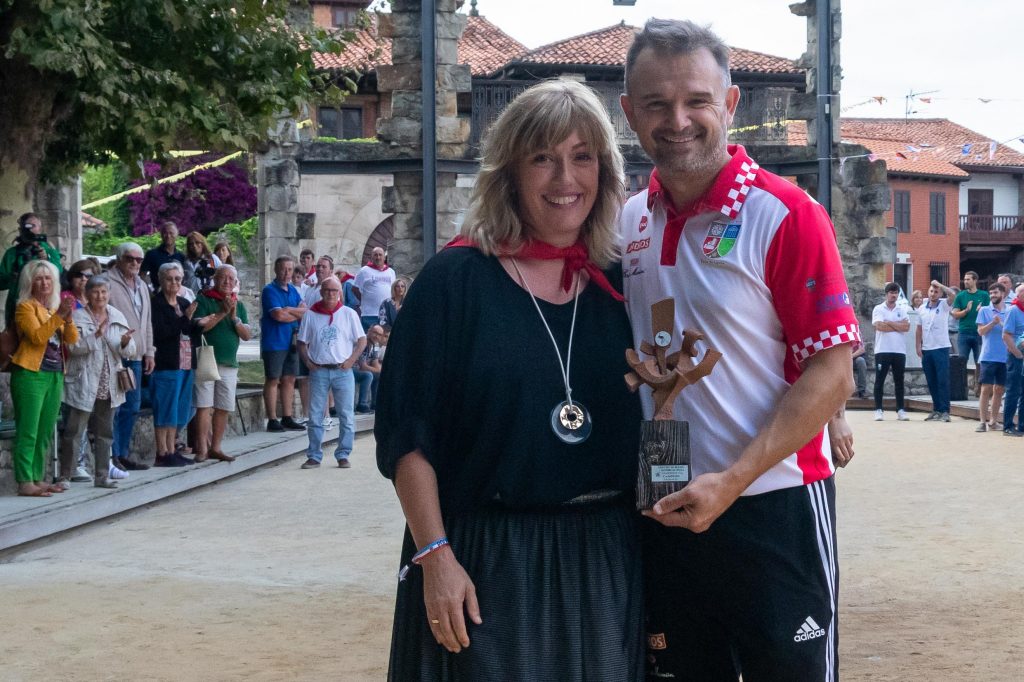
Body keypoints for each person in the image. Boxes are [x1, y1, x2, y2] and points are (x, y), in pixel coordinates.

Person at [376, 79, 643, 680]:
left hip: (605, 557)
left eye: (582, 157)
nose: (564, 179)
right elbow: (406, 434)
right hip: (485, 556)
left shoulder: (623, 286)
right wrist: (434, 555)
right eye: (542, 158)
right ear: (509, 172)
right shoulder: (455, 281)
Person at [618, 20, 857, 680]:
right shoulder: (629, 219)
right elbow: (657, 362)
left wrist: (732, 480)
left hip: (774, 502)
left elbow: (833, 373)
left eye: (696, 100)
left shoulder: (786, 213)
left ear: (729, 103)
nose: (678, 120)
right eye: (657, 104)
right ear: (630, 113)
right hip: (668, 505)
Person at [9, 260, 77, 496]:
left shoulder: (52, 309)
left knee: (45, 430)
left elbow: (71, 338)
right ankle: (24, 480)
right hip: (30, 374)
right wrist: (59, 315)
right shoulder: (25, 307)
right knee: (28, 429)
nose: (44, 282)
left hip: (54, 374)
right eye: (39, 278)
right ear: (30, 282)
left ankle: (37, 477)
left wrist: (66, 317)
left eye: (48, 278)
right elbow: (37, 337)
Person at [62, 274, 136, 488]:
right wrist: (96, 334)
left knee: (105, 432)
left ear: (109, 294)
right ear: (87, 295)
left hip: (110, 382)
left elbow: (130, 351)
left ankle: (102, 476)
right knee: (74, 431)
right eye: (95, 292)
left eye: (104, 292)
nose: (100, 296)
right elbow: (73, 348)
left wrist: (125, 343)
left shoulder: (117, 315)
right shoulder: (77, 317)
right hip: (84, 380)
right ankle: (65, 476)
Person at [297, 276, 364, 469]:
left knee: (346, 415)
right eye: (327, 290)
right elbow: (301, 342)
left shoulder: (349, 314)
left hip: (342, 370)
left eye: (334, 291)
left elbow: (361, 340)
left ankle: (343, 453)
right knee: (316, 415)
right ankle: (314, 455)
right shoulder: (311, 314)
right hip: (319, 370)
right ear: (321, 292)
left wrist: (351, 360)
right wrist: (308, 362)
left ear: (340, 293)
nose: (330, 294)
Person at [192, 265, 250, 463]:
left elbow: (247, 335)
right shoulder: (204, 299)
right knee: (204, 405)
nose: (227, 282)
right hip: (207, 360)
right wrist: (223, 313)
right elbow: (202, 327)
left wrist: (233, 318)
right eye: (222, 278)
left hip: (229, 362)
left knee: (223, 407)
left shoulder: (238, 305)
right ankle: (201, 448)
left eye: (231, 279)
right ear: (215, 279)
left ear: (235, 283)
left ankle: (215, 447)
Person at [106, 242, 155, 470]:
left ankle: (122, 452)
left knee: (132, 405)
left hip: (135, 354)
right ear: (119, 259)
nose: (135, 263)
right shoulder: (107, 282)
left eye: (139, 260)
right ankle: (112, 455)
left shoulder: (143, 286)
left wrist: (149, 351)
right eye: (130, 259)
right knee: (113, 406)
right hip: (114, 353)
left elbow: (147, 323)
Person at [150, 262, 201, 466]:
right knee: (165, 408)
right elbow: (161, 333)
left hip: (186, 360)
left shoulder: (182, 301)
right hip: (166, 362)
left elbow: (188, 330)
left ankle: (172, 448)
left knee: (180, 408)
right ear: (161, 280)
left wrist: (198, 322)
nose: (174, 283)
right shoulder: (157, 304)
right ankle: (162, 452)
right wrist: (185, 319)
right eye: (170, 279)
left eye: (178, 279)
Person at [62, 257, 103, 481]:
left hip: (95, 366)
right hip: (73, 365)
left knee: (92, 420)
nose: (84, 280)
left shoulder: (96, 304)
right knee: (76, 419)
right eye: (80, 275)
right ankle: (73, 466)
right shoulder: (67, 301)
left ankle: (91, 462)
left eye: (88, 276)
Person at [260, 255, 306, 432]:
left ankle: (287, 416)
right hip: (274, 342)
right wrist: (295, 313)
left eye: (290, 269)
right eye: (283, 269)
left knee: (289, 379)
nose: (287, 273)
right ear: (276, 269)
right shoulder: (269, 290)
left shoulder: (293, 290)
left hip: (291, 341)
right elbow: (278, 315)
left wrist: (290, 310)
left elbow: (305, 310)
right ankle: (272, 418)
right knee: (273, 379)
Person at [0, 213, 63, 325]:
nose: (29, 230)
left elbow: (58, 274)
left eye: (33, 226)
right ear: (20, 230)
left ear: (40, 228)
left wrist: (46, 259)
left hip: (46, 304)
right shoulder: (12, 254)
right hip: (18, 304)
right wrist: (13, 275)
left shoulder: (49, 250)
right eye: (26, 226)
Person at [916, 280, 955, 422]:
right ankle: (936, 409)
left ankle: (945, 410)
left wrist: (940, 285)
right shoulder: (922, 308)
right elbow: (919, 328)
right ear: (928, 292)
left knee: (942, 380)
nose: (933, 294)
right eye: (931, 291)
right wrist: (918, 346)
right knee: (931, 380)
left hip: (941, 347)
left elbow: (953, 295)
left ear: (940, 294)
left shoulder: (944, 305)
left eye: (936, 292)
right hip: (927, 348)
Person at [872, 283, 911, 421]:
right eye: (891, 292)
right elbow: (879, 326)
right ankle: (878, 409)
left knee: (899, 380)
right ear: (886, 293)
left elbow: (906, 327)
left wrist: (890, 322)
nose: (893, 295)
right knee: (880, 380)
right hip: (883, 350)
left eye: (896, 293)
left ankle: (900, 409)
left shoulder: (902, 309)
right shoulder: (878, 308)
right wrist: (897, 325)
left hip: (899, 350)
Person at [975, 282, 1008, 432]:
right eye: (991, 293)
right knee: (985, 388)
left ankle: (993, 421)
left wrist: (1001, 324)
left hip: (1005, 356)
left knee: (999, 389)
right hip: (988, 356)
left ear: (1003, 294)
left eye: (995, 293)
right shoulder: (984, 310)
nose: (993, 295)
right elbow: (981, 331)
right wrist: (993, 323)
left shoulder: (1010, 311)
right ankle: (982, 421)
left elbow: (1012, 332)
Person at [952, 271, 989, 392]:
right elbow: (955, 315)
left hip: (979, 332)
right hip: (963, 332)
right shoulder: (961, 296)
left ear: (975, 280)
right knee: (962, 360)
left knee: (980, 360)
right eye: (965, 279)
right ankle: (963, 388)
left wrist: (982, 310)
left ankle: (978, 387)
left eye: (968, 279)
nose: (965, 281)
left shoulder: (984, 295)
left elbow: (990, 313)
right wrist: (966, 311)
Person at [141, 221, 197, 292]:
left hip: (178, 296)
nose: (168, 236)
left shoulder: (181, 256)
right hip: (157, 296)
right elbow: (143, 275)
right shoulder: (151, 254)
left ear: (177, 234)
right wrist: (150, 290)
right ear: (161, 235)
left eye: (171, 233)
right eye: (165, 233)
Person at [1000, 283, 1024, 437]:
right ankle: (1008, 425)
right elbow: (1006, 335)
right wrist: (1018, 354)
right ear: (1019, 294)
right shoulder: (1013, 310)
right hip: (1017, 356)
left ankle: (1022, 424)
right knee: (1013, 392)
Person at [353, 247, 395, 331]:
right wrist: (365, 300)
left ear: (384, 257)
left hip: (386, 313)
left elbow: (393, 290)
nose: (378, 257)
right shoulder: (364, 271)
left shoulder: (391, 272)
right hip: (369, 314)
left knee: (385, 340)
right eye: (375, 255)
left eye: (380, 255)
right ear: (372, 257)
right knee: (370, 339)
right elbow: (355, 288)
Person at [355, 324, 385, 412]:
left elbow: (375, 363)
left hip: (362, 369)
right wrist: (378, 370)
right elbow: (362, 366)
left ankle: (375, 404)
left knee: (379, 375)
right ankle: (362, 404)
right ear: (369, 331)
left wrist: (379, 370)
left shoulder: (375, 345)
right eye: (375, 333)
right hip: (351, 369)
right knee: (368, 375)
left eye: (379, 334)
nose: (376, 336)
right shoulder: (363, 342)